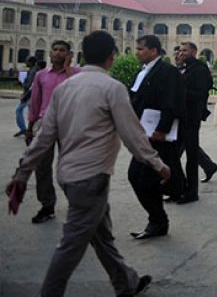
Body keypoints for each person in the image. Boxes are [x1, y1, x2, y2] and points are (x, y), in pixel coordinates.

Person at [5, 30, 168, 297]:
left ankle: (126, 282)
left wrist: (23, 172)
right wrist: (156, 163)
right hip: (91, 178)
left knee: (101, 235)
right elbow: (133, 133)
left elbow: (44, 136)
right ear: (111, 57)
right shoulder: (112, 88)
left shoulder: (65, 88)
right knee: (71, 245)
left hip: (68, 176)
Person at [127, 35, 185, 239]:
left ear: (153, 51)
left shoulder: (167, 72)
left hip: (157, 134)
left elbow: (172, 102)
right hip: (143, 132)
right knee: (140, 177)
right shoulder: (142, 72)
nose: (137, 52)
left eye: (141, 49)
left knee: (140, 176)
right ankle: (158, 220)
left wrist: (162, 128)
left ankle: (158, 220)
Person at [25, 41, 81, 224]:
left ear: (69, 54)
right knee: (42, 167)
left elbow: (80, 92)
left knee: (71, 168)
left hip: (69, 124)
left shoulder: (77, 74)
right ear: (50, 53)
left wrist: (67, 68)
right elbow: (35, 102)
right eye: (55, 50)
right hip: (45, 124)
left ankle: (78, 206)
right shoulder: (41, 75)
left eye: (62, 50)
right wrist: (30, 127)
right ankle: (47, 205)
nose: (57, 53)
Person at [175, 41, 217, 203]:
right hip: (180, 116)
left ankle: (190, 191)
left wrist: (178, 92)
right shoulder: (184, 67)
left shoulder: (198, 69)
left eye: (185, 50)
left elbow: (199, 93)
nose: (181, 52)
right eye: (180, 50)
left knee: (190, 155)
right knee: (177, 152)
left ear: (193, 51)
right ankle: (180, 186)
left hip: (191, 116)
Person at [14, 56, 38, 137]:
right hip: (29, 94)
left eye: (27, 61)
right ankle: (26, 129)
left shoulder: (33, 71)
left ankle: (25, 129)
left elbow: (29, 85)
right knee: (29, 111)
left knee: (19, 110)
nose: (26, 63)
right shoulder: (32, 70)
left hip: (29, 95)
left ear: (31, 62)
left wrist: (22, 84)